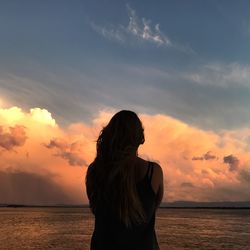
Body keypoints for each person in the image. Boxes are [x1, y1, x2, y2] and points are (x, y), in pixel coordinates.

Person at [85, 110, 164, 250]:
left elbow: (95, 208)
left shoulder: (94, 171)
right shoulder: (153, 172)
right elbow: (153, 208)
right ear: (141, 138)